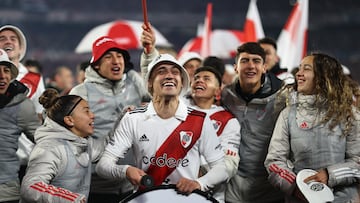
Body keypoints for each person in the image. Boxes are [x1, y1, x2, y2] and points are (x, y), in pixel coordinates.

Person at [96, 53, 228, 195]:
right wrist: (125, 171)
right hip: (146, 198)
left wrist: (199, 183)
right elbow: (103, 165)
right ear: (150, 83)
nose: (169, 76)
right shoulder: (133, 118)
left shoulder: (200, 119)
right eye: (161, 71)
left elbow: (221, 168)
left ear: (182, 82)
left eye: (175, 72)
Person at [264, 53, 360, 203]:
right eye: (299, 68)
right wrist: (298, 188)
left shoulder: (349, 114)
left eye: (306, 69)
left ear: (324, 76)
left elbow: (358, 161)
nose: (299, 74)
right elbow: (274, 161)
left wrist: (330, 175)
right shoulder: (288, 114)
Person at [69, 36, 149, 202]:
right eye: (108, 57)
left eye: (119, 56)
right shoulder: (81, 92)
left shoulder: (135, 86)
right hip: (95, 187)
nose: (116, 61)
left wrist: (150, 51)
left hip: (131, 184)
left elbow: (159, 91)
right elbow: (73, 140)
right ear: (96, 64)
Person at [222, 42, 287, 203]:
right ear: (236, 67)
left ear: (265, 67)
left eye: (256, 61)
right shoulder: (225, 95)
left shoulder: (283, 97)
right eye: (244, 61)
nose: (251, 66)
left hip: (270, 188)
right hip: (232, 187)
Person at [20, 88, 102, 203]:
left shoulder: (84, 143)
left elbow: (108, 150)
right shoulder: (49, 148)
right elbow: (30, 187)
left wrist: (124, 122)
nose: (92, 115)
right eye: (86, 111)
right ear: (69, 120)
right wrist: (70, 198)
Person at [184, 66, 241, 202]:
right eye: (196, 78)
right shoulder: (178, 110)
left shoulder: (228, 121)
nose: (199, 81)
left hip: (209, 196)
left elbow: (229, 165)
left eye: (206, 79)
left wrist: (200, 178)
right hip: (172, 189)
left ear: (217, 91)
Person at [0, 25, 46, 179]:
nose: (8, 42)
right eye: (2, 39)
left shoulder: (35, 79)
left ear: (21, 49)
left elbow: (40, 118)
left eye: (13, 39)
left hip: (27, 158)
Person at [0, 48, 40, 203]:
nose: (2, 76)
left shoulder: (22, 105)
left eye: (6, 70)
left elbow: (44, 141)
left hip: (6, 192)